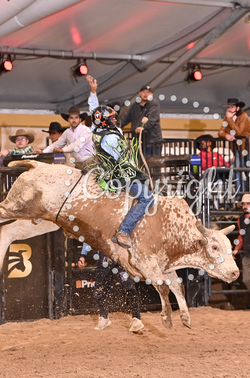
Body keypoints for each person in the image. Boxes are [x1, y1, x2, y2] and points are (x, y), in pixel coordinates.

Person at [86, 75, 155, 249]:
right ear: (105, 120)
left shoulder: (99, 129)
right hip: (120, 175)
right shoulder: (110, 138)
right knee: (147, 198)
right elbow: (123, 161)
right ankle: (124, 231)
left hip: (110, 173)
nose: (116, 119)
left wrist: (93, 93)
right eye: (112, 117)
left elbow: (94, 110)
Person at [77, 244, 144, 333]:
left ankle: (137, 319)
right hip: (104, 259)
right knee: (99, 290)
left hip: (121, 258)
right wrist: (83, 255)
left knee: (129, 286)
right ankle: (104, 317)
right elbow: (89, 237)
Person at [119, 83, 163, 156]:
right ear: (140, 93)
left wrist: (142, 127)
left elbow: (151, 119)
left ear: (151, 94)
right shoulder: (134, 106)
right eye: (144, 92)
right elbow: (125, 118)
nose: (145, 94)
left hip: (152, 142)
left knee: (152, 163)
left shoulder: (154, 104)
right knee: (139, 164)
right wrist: (117, 127)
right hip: (138, 142)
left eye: (148, 92)